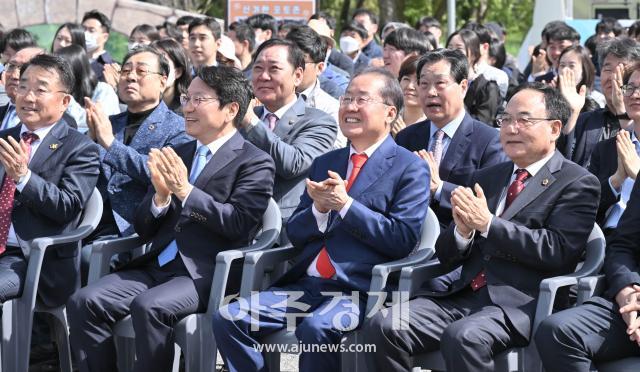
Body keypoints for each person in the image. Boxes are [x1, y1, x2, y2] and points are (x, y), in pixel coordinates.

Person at [362, 82, 600, 372]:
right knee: (384, 324)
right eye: (505, 120)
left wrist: (487, 224)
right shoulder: (488, 176)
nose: (511, 128)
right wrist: (463, 233)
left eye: (523, 120)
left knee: (463, 337)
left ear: (554, 128)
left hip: (519, 303)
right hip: (462, 293)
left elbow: (556, 250)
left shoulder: (577, 182)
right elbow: (447, 254)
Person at [212, 67, 430, 372]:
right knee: (228, 317)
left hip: (360, 290)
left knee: (316, 329)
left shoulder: (409, 168)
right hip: (307, 285)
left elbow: (401, 239)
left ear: (390, 112)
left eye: (361, 100)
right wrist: (320, 210)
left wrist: (345, 204)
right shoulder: (327, 162)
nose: (350, 107)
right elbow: (296, 232)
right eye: (346, 99)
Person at [67, 65, 275, 372]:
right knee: (84, 301)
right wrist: (160, 198)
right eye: (186, 98)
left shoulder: (254, 161)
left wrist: (185, 191)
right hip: (156, 264)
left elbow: (238, 223)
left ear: (230, 109)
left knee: (149, 307)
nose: (187, 108)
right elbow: (143, 227)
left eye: (198, 100)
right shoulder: (178, 150)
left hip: (206, 272)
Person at [534, 70, 640, 372]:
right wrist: (627, 291)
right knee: (557, 331)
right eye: (630, 87)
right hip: (631, 297)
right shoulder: (613, 148)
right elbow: (623, 244)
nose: (634, 94)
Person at [0, 53, 100, 309]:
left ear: (64, 101)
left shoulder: (80, 148)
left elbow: (67, 206)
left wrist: (23, 177)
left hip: (32, 257)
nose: (28, 97)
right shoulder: (4, 137)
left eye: (40, 90)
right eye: (23, 87)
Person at [85, 45, 190, 239]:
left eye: (141, 71)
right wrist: (89, 140)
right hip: (86, 222)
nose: (131, 77)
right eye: (125, 71)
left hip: (132, 230)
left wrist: (109, 143)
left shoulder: (179, 128)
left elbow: (161, 175)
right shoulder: (109, 123)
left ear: (162, 81)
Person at [239, 38, 337, 240]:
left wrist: (251, 122)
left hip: (282, 233)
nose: (263, 76)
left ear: (297, 75)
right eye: (258, 69)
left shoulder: (319, 121)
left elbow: (292, 163)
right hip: (233, 220)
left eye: (274, 69)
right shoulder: (242, 117)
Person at [395, 49, 505, 227]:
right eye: (424, 84)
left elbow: (489, 202)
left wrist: (438, 188)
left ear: (463, 87)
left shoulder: (490, 141)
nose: (431, 92)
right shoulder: (405, 138)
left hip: (459, 243)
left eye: (440, 83)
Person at [562, 37, 640, 167]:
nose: (613, 77)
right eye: (608, 69)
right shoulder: (585, 120)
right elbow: (563, 163)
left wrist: (621, 109)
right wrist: (573, 113)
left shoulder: (635, 125)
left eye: (622, 70)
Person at [586, 63, 640, 234]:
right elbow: (584, 206)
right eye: (629, 88)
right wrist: (616, 180)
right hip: (607, 237)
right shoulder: (607, 148)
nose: (635, 95)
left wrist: (637, 176)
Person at [285, 25, 345, 147]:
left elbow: (332, 152)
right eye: (287, 61)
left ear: (320, 68)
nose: (292, 68)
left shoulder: (331, 109)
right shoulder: (264, 98)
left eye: (301, 62)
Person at [54, 45, 121, 133]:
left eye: (59, 71)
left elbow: (93, 123)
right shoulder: (59, 91)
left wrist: (67, 100)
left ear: (75, 69)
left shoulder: (104, 90)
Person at [447, 28, 503, 125]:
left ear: (474, 54)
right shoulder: (441, 83)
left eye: (459, 48)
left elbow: (482, 124)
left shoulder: (488, 88)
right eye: (449, 47)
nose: (452, 53)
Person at [556, 45, 603, 113]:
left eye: (572, 66)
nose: (565, 70)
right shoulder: (551, 97)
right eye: (562, 65)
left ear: (584, 70)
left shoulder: (596, 99)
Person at [152, 38, 192, 115]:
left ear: (178, 72)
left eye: (162, 64)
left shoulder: (188, 111)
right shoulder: (139, 106)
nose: (155, 69)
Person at [392, 54, 426, 137]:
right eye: (406, 79)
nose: (410, 86)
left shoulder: (434, 127)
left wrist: (403, 137)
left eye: (418, 81)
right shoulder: (389, 119)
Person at [82, 10, 115, 82]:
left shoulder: (112, 67)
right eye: (83, 29)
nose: (85, 34)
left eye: (91, 30)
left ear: (105, 37)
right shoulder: (73, 59)